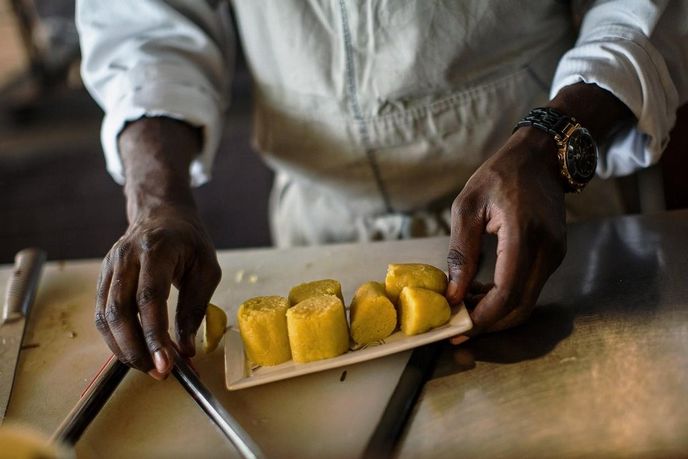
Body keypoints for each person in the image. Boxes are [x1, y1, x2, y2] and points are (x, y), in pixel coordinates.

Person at [76, 0, 688, 380]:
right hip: (319, 226)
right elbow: (144, 28)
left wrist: (552, 139)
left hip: (541, 203)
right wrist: (157, 201)